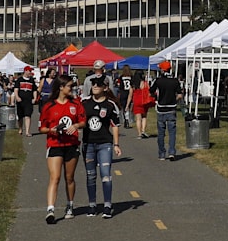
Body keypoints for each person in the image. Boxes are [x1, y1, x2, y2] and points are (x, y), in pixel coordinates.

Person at [39, 73, 86, 224]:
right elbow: (42, 128)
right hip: (55, 144)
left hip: (71, 144)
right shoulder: (49, 105)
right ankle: (50, 209)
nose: (72, 89)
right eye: (70, 86)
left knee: (69, 177)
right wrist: (51, 130)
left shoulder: (76, 104)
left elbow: (83, 121)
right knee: (55, 177)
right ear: (61, 87)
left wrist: (76, 125)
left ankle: (70, 205)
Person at [82, 76, 121, 218]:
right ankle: (92, 204)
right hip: (88, 144)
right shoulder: (84, 102)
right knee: (90, 175)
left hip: (104, 143)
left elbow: (115, 125)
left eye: (98, 84)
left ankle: (107, 205)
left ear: (105, 87)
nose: (95, 86)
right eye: (93, 84)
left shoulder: (110, 105)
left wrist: (116, 144)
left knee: (105, 175)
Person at [149, 60, 183, 161]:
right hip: (171, 108)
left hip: (161, 108)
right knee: (172, 132)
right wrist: (174, 99)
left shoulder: (159, 81)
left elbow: (151, 91)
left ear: (162, 70)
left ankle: (162, 153)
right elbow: (180, 95)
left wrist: (155, 97)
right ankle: (171, 152)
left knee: (161, 133)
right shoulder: (175, 81)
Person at [126, 70, 153, 138]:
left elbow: (130, 95)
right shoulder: (144, 83)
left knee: (138, 119)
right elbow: (149, 91)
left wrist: (127, 105)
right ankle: (143, 131)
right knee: (144, 117)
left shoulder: (133, 84)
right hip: (144, 101)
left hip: (136, 101)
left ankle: (139, 133)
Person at [14, 65, 37, 137]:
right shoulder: (19, 80)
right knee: (20, 116)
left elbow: (34, 90)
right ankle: (20, 128)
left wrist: (34, 98)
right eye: (29, 71)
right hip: (20, 101)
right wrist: (17, 97)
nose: (30, 72)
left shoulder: (32, 80)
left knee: (28, 116)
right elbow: (16, 89)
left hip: (29, 101)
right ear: (25, 71)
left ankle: (27, 131)